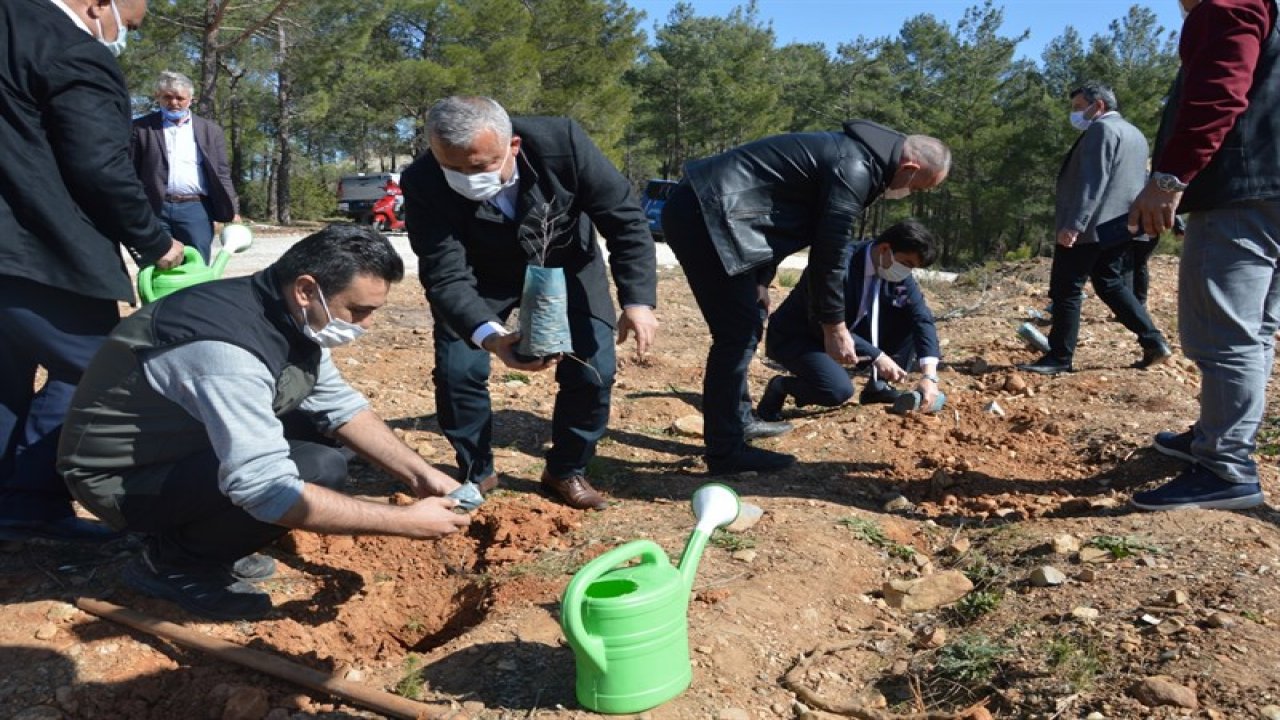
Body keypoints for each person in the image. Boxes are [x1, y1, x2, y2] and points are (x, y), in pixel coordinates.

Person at [57, 225, 471, 620]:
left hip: (176, 446)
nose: (366, 325)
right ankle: (173, 563)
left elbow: (340, 408)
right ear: (307, 289)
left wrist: (421, 475)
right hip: (121, 482)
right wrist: (405, 523)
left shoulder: (283, 310)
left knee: (335, 440)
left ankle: (205, 537)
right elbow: (264, 490)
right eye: (359, 310)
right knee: (317, 469)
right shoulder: (227, 352)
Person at [401, 96, 658, 511]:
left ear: (513, 146)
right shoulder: (422, 180)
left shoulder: (563, 142)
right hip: (480, 275)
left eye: (481, 166)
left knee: (594, 370)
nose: (468, 178)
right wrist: (491, 338)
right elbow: (444, 273)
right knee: (457, 369)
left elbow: (625, 219)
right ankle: (476, 472)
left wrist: (638, 301)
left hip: (565, 262)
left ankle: (566, 469)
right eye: (454, 169)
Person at [660, 121, 950, 475]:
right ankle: (725, 452)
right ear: (908, 169)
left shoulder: (858, 159)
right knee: (734, 333)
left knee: (748, 323)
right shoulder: (855, 168)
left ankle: (738, 422)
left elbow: (777, 218)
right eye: (917, 189)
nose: (911, 194)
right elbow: (828, 254)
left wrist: (762, 280)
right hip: (705, 214)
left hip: (726, 218)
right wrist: (835, 326)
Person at [0, 0, 185, 544]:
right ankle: (34, 503)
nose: (121, 35)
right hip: (42, 254)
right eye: (126, 24)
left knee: (5, 380)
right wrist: (156, 242)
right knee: (100, 373)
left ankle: (14, 504)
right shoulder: (71, 49)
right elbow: (98, 165)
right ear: (97, 3)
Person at [1127, 0, 1279, 511]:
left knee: (1222, 334)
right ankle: (1217, 440)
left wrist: (1169, 178)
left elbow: (1218, 92)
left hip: (1240, 192)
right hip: (1268, 190)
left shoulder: (1228, 5)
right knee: (1253, 330)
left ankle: (1225, 468)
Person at [1018, 84, 1173, 376]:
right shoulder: (1135, 134)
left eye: (1079, 106)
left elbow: (1093, 182)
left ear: (1098, 105)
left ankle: (1059, 357)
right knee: (1110, 284)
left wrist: (1074, 225)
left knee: (1066, 289)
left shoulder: (1101, 131)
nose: (1075, 113)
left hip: (1090, 226)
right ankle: (1153, 342)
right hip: (1120, 226)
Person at [759, 220, 942, 420]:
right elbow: (821, 322)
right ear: (885, 248)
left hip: (849, 332)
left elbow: (922, 318)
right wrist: (877, 355)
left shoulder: (897, 274)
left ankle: (878, 386)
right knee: (836, 390)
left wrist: (929, 376)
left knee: (909, 319)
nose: (907, 272)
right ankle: (780, 386)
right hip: (802, 336)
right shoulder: (834, 265)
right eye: (907, 264)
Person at [130, 70, 240, 263]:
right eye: (168, 97)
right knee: (156, 265)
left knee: (197, 265)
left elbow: (222, 173)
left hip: (196, 209)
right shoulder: (140, 128)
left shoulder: (210, 131)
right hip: (155, 208)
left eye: (180, 98)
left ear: (191, 99)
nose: (174, 103)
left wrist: (233, 210)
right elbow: (130, 171)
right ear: (158, 98)